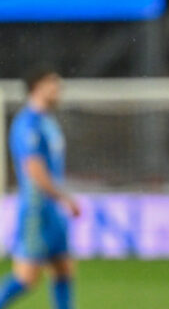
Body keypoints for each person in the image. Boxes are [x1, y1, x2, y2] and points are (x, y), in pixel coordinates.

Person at [0, 69, 80, 309]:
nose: (58, 89)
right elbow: (34, 170)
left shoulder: (47, 121)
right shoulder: (27, 123)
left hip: (52, 208)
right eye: (53, 84)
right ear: (37, 86)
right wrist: (64, 197)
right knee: (26, 277)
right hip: (36, 208)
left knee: (63, 268)